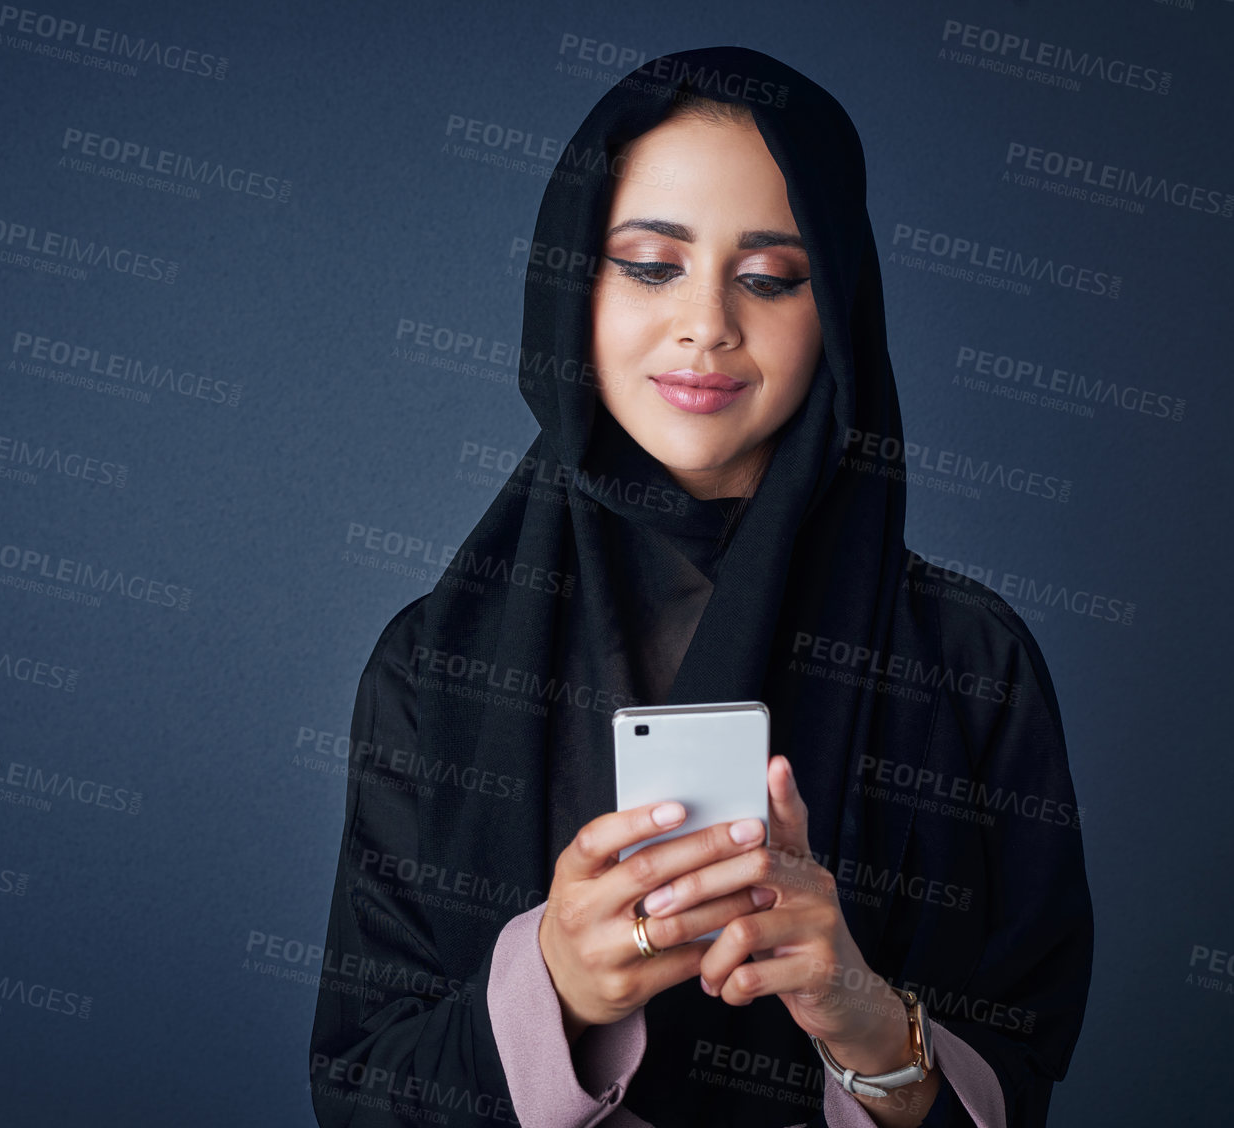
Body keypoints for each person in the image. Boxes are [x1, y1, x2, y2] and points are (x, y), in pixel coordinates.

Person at [309, 45, 1093, 1128]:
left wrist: (863, 1019)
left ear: (840, 314)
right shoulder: (432, 662)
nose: (708, 323)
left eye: (770, 277)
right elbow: (359, 1087)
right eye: (647, 262)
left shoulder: (970, 664)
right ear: (571, 284)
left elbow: (1019, 1074)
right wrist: (555, 990)